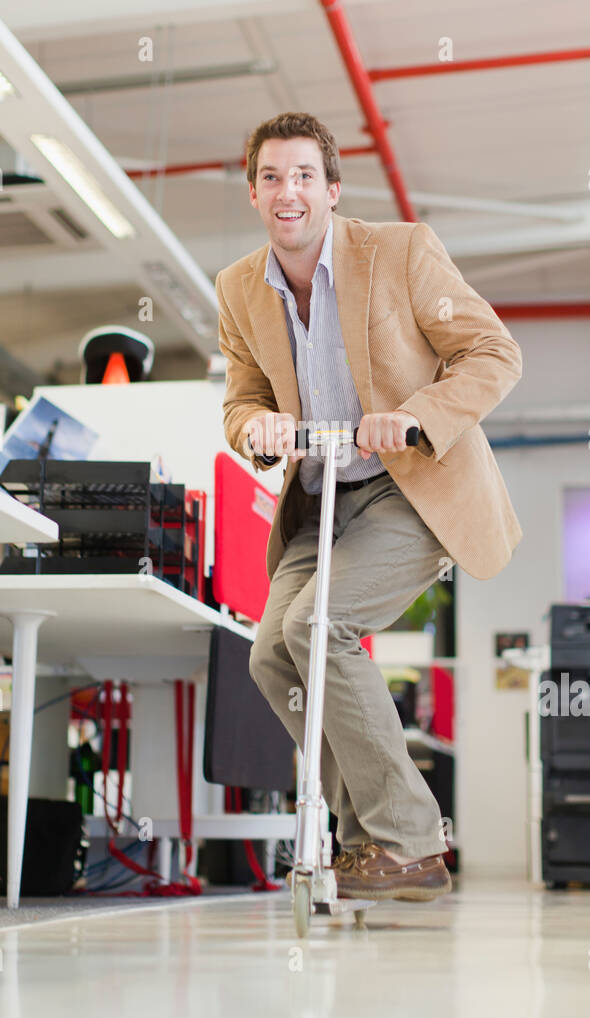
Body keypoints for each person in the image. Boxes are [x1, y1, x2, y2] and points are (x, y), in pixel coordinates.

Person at [215, 112, 523, 900]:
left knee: (318, 626)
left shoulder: (401, 252)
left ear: (333, 188)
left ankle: (412, 842)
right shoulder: (239, 289)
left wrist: (417, 414)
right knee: (271, 653)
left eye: (305, 176)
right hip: (321, 496)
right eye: (274, 178)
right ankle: (363, 842)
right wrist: (258, 428)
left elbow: (493, 353)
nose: (291, 193)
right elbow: (242, 400)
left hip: (410, 488)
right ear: (254, 192)